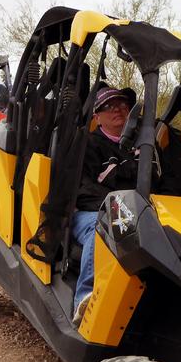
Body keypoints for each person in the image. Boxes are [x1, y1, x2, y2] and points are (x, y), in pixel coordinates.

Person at [70, 86, 136, 325]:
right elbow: (81, 188)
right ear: (97, 116)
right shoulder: (86, 144)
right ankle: (85, 297)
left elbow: (164, 179)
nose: (117, 109)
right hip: (92, 211)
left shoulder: (144, 145)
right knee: (101, 228)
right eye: (108, 106)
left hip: (140, 211)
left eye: (122, 104)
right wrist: (119, 206)